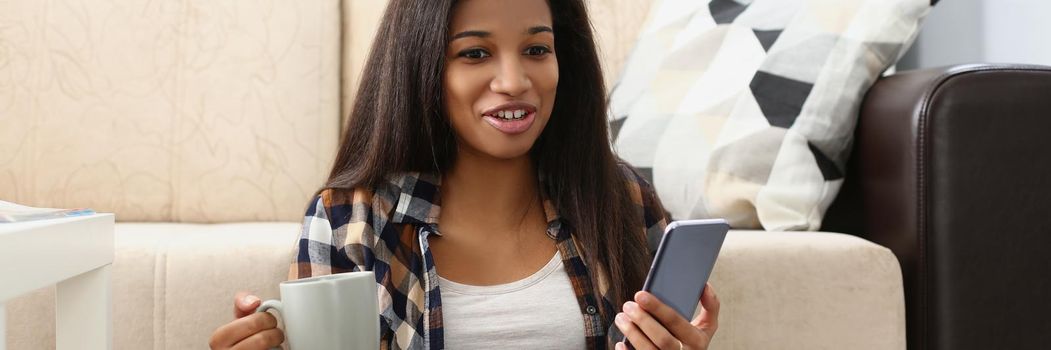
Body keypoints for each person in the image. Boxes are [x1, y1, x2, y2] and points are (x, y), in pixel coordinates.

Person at [208, 0, 719, 349]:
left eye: (537, 49)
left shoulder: (621, 198)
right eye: (475, 53)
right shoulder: (348, 218)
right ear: (423, 65)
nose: (515, 81)